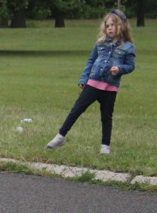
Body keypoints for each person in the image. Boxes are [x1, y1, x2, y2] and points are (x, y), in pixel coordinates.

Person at [47, 10, 135, 155]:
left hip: (110, 87)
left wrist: (120, 69)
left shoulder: (127, 47)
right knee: (76, 109)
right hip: (93, 83)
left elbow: (131, 66)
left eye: (113, 25)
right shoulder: (100, 43)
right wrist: (84, 79)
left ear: (122, 26)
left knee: (106, 116)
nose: (110, 28)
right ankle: (60, 137)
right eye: (107, 26)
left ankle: (105, 146)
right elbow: (91, 61)